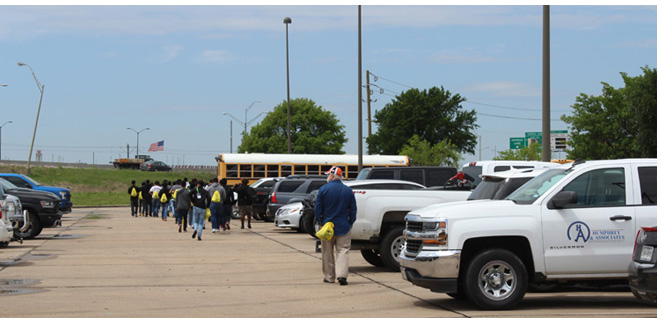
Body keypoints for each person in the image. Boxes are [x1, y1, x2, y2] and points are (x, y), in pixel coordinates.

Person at [314, 166, 357, 286]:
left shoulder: (323, 190)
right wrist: (350, 223)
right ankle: (342, 276)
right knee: (343, 251)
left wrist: (320, 221)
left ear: (332, 176)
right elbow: (353, 210)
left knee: (327, 252)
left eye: (328, 175)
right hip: (344, 226)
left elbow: (317, 209)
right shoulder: (348, 190)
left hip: (327, 227)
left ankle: (329, 277)